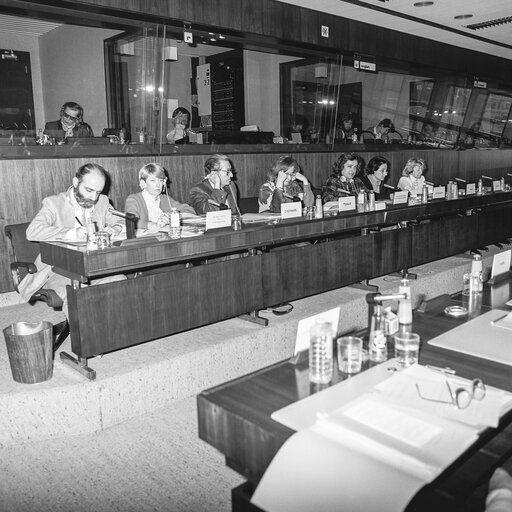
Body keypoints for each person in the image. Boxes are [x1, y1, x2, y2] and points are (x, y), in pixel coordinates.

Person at [18, 163, 126, 315]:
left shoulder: (102, 201)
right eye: (89, 190)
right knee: (76, 293)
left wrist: (115, 229)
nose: (93, 198)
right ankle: (86, 337)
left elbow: (122, 220)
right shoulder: (54, 203)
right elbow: (32, 231)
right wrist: (70, 234)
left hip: (92, 265)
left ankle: (112, 331)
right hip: (59, 269)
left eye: (98, 192)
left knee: (119, 280)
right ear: (76, 183)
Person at [125, 163, 196, 231]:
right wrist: (152, 225)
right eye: (152, 180)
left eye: (161, 181)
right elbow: (129, 221)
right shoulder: (134, 199)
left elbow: (190, 210)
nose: (158, 185)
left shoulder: (165, 199)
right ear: (143, 184)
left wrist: (172, 217)